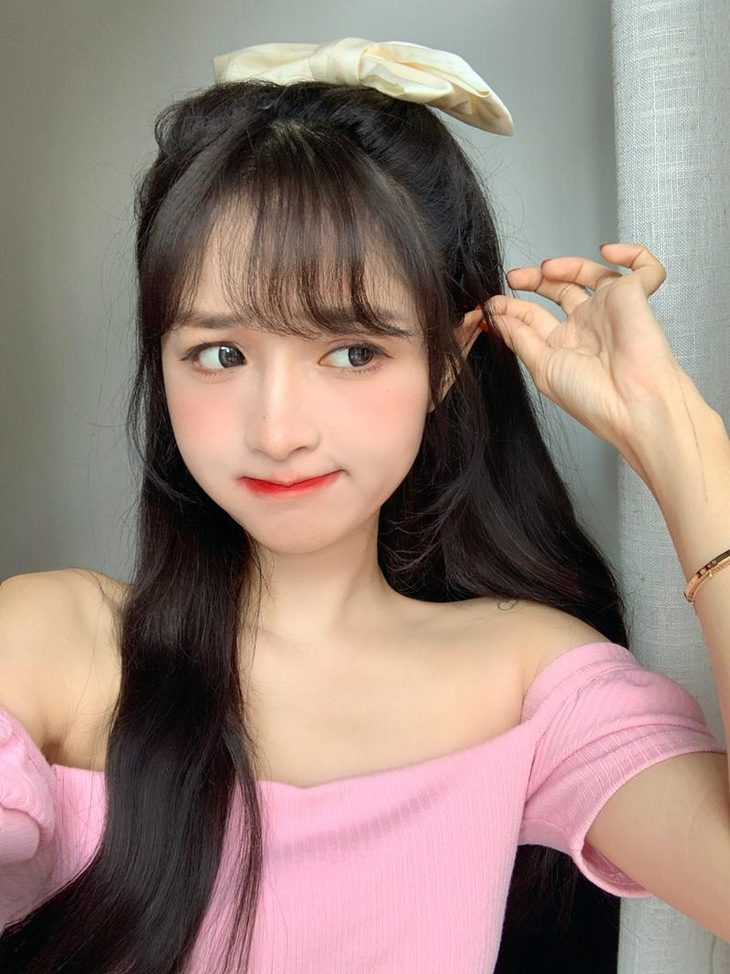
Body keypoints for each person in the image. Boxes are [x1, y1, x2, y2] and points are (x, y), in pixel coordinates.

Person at [1, 38, 728, 974]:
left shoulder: (522, 680)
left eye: (352, 352)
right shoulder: (53, 642)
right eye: (220, 354)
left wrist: (676, 436)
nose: (278, 431)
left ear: (448, 363)